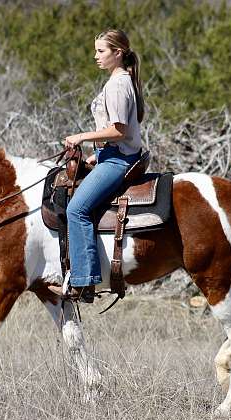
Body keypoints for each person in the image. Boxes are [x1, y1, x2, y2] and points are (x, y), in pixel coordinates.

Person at [56, 29, 146, 300]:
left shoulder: (117, 84)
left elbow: (119, 131)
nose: (95, 56)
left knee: (77, 209)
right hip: (113, 156)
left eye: (101, 51)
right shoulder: (122, 80)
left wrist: (81, 137)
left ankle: (84, 282)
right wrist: (97, 153)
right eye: (96, 51)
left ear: (118, 53)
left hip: (119, 160)